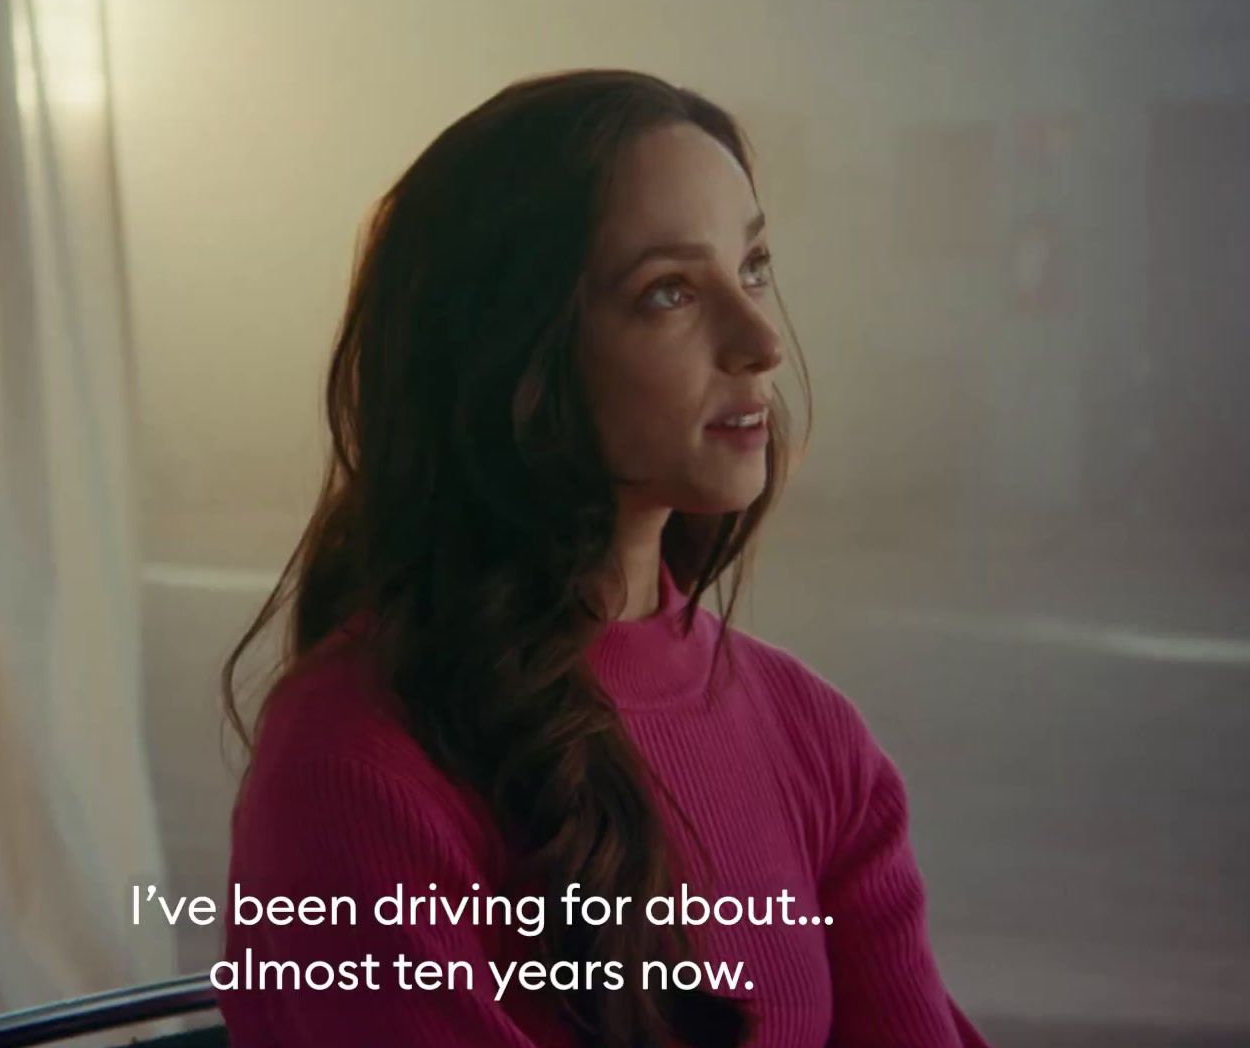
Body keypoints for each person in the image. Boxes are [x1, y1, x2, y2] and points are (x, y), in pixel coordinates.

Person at [215, 68, 990, 1048]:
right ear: (515, 355)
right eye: (668, 291)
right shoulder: (357, 761)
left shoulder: (815, 738)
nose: (760, 341)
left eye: (753, 268)